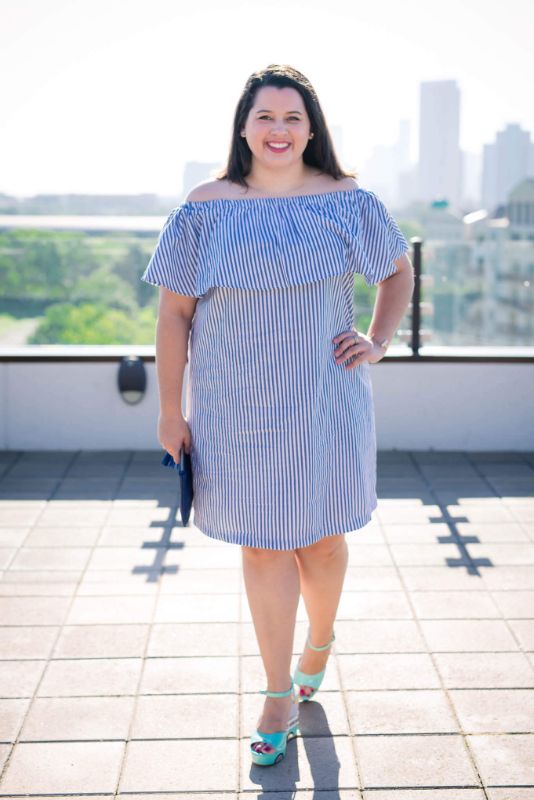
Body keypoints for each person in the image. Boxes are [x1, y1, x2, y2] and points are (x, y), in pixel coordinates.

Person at [141, 63, 415, 768]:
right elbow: (173, 314)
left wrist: (379, 342)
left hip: (325, 401)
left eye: (294, 118)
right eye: (266, 116)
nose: (279, 130)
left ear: (312, 129)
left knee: (319, 543)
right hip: (235, 412)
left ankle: (317, 644)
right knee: (262, 547)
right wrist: (171, 411)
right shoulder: (203, 209)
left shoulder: (349, 202)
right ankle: (276, 692)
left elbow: (395, 270)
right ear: (243, 126)